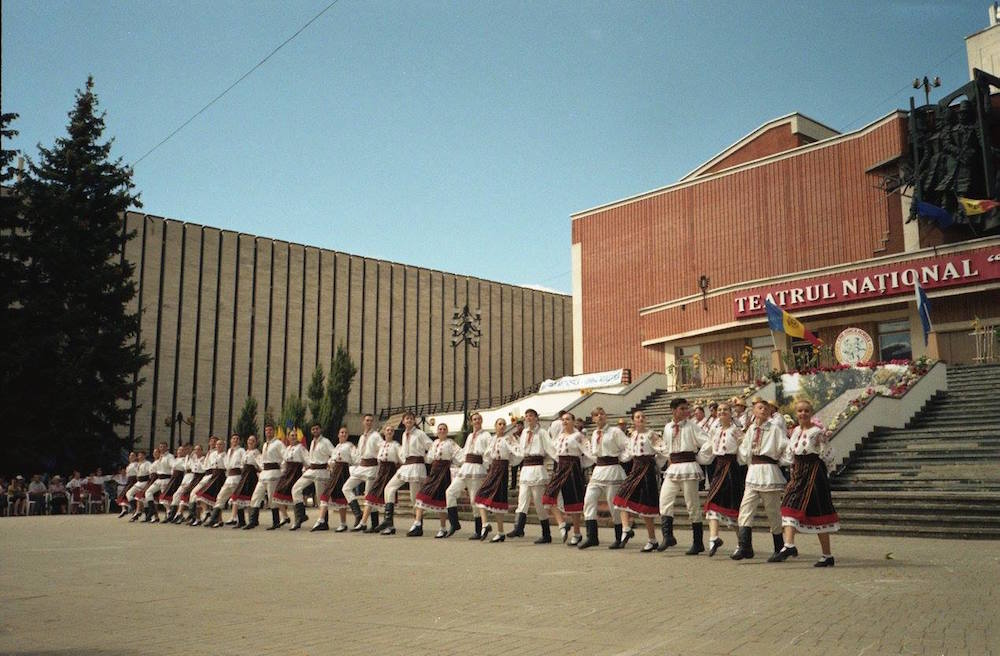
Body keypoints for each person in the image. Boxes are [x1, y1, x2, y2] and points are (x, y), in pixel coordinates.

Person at [771, 399, 839, 567]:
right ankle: (789, 545)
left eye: (806, 411)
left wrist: (825, 473)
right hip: (799, 472)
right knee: (787, 505)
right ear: (796, 413)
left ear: (811, 413)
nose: (803, 414)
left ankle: (827, 555)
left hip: (814, 473)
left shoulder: (817, 432)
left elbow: (828, 453)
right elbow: (790, 453)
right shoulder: (794, 431)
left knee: (818, 514)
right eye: (800, 411)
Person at [732, 397, 789, 561]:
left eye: (765, 408)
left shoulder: (775, 429)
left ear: (770, 411)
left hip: (769, 472)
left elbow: (787, 447)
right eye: (759, 408)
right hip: (753, 472)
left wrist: (780, 461)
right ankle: (745, 546)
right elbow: (745, 451)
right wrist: (743, 452)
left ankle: (779, 547)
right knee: (745, 508)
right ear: (754, 411)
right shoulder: (750, 430)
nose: (762, 410)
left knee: (772, 511)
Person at [658, 398, 711, 554]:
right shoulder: (668, 427)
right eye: (682, 408)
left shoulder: (692, 426)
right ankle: (667, 536)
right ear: (673, 410)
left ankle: (698, 542)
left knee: (692, 504)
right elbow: (667, 447)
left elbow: (707, 442)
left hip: (688, 466)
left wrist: (699, 457)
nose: (686, 411)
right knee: (664, 500)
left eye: (687, 408)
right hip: (673, 467)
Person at [612, 411, 667, 552]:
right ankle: (626, 529)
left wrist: (657, 465)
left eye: (643, 417)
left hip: (647, 471)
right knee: (620, 497)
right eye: (637, 417)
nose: (641, 419)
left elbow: (663, 451)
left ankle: (652, 539)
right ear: (633, 421)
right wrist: (616, 455)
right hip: (635, 469)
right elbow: (628, 455)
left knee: (646, 507)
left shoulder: (651, 434)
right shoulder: (632, 435)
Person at [375, 411, 432, 535]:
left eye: (411, 419)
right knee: (389, 488)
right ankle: (388, 521)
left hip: (416, 465)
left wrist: (427, 459)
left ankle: (418, 525)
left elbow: (431, 446)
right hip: (406, 465)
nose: (409, 421)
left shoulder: (420, 434)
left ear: (414, 421)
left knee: (414, 497)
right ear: (403, 421)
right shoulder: (403, 434)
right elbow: (403, 453)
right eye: (407, 419)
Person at [543, 412, 595, 545]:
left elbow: (589, 451)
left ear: (573, 421)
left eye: (567, 419)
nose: (565, 422)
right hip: (560, 467)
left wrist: (583, 464)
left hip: (573, 468)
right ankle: (562, 524)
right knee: (548, 497)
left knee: (573, 501)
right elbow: (554, 451)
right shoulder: (560, 436)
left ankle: (577, 533)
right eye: (563, 420)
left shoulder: (578, 436)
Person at [578, 407, 627, 549]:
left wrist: (621, 458)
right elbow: (594, 453)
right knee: (588, 500)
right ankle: (592, 536)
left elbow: (627, 446)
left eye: (602, 414)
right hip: (598, 470)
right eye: (596, 415)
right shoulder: (594, 433)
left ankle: (619, 537)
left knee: (613, 504)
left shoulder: (615, 432)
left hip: (612, 469)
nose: (599, 417)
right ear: (593, 418)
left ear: (606, 416)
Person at [701, 404, 744, 556]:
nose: (722, 412)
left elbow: (743, 448)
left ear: (731, 413)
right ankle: (714, 539)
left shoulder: (736, 431)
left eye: (725, 410)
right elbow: (709, 447)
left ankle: (742, 542)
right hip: (719, 467)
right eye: (719, 410)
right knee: (712, 502)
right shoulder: (715, 430)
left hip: (731, 469)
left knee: (733, 507)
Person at [508, 408, 557, 544]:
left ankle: (546, 534)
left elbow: (550, 448)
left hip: (536, 469)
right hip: (525, 469)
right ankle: (518, 528)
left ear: (536, 418)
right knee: (522, 500)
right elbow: (522, 451)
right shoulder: (524, 432)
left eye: (531, 416)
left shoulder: (542, 433)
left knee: (538, 503)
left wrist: (560, 460)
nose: (528, 418)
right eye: (526, 416)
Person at [409, 423, 463, 538]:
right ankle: (417, 523)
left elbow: (459, 456)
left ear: (447, 431)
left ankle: (442, 528)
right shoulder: (434, 443)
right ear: (437, 432)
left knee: (441, 500)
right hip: (434, 472)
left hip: (444, 472)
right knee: (420, 496)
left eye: (444, 429)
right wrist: (419, 453)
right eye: (440, 429)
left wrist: (465, 463)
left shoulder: (451, 443)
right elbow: (429, 459)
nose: (442, 431)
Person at [445, 412, 492, 539]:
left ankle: (478, 530)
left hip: (476, 469)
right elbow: (464, 452)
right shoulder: (470, 435)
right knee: (450, 492)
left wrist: (486, 466)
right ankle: (454, 523)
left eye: (478, 419)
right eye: (474, 419)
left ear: (481, 421)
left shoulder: (486, 435)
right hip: (465, 467)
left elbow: (490, 451)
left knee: (473, 500)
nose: (476, 421)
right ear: (471, 422)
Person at [474, 418, 521, 542]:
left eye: (504, 424)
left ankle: (500, 532)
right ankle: (485, 525)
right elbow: (487, 455)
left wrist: (510, 462)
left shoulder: (508, 438)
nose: (502, 426)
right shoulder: (492, 439)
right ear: (495, 426)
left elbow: (518, 453)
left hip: (502, 469)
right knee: (479, 496)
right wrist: (488, 465)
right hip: (493, 468)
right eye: (499, 424)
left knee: (498, 501)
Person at [343, 413, 383, 531]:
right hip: (361, 466)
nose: (368, 422)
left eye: (371, 420)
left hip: (372, 467)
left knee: (369, 496)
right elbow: (359, 454)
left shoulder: (376, 436)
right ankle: (358, 513)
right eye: (367, 420)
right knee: (346, 488)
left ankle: (373, 523)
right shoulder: (361, 437)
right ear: (363, 421)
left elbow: (382, 448)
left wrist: (380, 463)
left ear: (373, 422)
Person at [289, 424, 334, 531]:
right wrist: (306, 467)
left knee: (320, 498)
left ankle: (323, 522)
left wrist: (330, 463)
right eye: (313, 429)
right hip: (311, 470)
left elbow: (334, 453)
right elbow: (310, 458)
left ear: (320, 430)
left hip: (321, 471)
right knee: (295, 488)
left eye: (317, 429)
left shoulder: (325, 441)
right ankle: (300, 515)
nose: (315, 431)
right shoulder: (313, 441)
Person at [312, 427, 356, 532]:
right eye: (341, 432)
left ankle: (343, 523)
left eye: (345, 432)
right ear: (338, 435)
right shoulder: (336, 446)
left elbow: (355, 458)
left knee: (341, 498)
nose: (343, 434)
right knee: (325, 495)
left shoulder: (350, 446)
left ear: (348, 435)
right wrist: (330, 463)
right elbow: (332, 458)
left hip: (343, 471)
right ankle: (321, 519)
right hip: (335, 471)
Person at [245, 425, 284, 530]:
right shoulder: (265, 444)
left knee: (272, 498)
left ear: (274, 432)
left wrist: (283, 471)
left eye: (270, 430)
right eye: (266, 430)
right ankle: (253, 521)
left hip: (273, 473)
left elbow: (285, 457)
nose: (268, 432)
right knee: (256, 496)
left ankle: (276, 522)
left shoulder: (278, 443)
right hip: (264, 474)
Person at [365, 424, 402, 534]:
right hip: (381, 471)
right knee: (372, 496)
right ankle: (374, 523)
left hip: (390, 471)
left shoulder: (396, 445)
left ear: (393, 433)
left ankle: (390, 526)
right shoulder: (380, 444)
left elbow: (401, 457)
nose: (389, 432)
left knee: (388, 497)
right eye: (387, 430)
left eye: (391, 430)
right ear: (384, 432)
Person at [205, 434, 245, 528]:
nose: (235, 440)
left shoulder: (241, 450)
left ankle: (240, 520)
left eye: (237, 439)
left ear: (239, 441)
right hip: (229, 477)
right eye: (233, 438)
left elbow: (244, 462)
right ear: (231, 440)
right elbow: (227, 465)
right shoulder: (229, 451)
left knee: (237, 499)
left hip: (237, 476)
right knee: (220, 497)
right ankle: (213, 519)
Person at [271, 431, 306, 529]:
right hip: (287, 473)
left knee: (295, 497)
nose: (294, 437)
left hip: (296, 473)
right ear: (288, 437)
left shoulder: (301, 448)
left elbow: (306, 460)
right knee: (276, 494)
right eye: (292, 435)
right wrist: (282, 471)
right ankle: (285, 516)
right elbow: (284, 462)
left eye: (295, 435)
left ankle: (297, 521)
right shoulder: (287, 448)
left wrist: (305, 471)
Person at [230, 435, 260, 529]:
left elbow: (260, 464)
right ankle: (241, 521)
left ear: (256, 442)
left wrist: (259, 470)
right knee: (238, 497)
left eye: (253, 440)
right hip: (244, 475)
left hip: (251, 476)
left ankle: (253, 520)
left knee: (251, 498)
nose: (251, 442)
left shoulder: (256, 452)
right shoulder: (246, 452)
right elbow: (242, 464)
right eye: (249, 440)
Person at [194, 440, 227, 526]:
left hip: (220, 476)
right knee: (201, 495)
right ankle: (208, 512)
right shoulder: (212, 454)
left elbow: (227, 466)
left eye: (220, 444)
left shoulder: (225, 455)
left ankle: (218, 520)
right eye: (217, 444)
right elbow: (208, 465)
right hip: (213, 475)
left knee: (217, 498)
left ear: (223, 446)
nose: (218, 446)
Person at [174, 444, 205, 524]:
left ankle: (192, 516)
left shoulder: (197, 457)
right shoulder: (188, 457)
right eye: (185, 449)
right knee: (187, 495)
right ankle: (182, 514)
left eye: (188, 449)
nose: (187, 450)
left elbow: (198, 468)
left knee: (193, 496)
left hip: (195, 477)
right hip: (189, 477)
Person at [159, 445, 188, 523]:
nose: (179, 451)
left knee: (177, 496)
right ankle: (172, 514)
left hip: (179, 478)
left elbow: (185, 470)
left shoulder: (185, 459)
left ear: (185, 452)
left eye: (182, 450)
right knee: (167, 497)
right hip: (173, 478)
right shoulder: (175, 459)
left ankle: (174, 515)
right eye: (179, 450)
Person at [126, 450, 152, 522]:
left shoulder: (147, 463)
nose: (139, 456)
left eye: (141, 455)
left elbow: (150, 473)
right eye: (139, 455)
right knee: (129, 494)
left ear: (144, 456)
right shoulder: (137, 464)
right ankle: (136, 510)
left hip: (145, 481)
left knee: (143, 499)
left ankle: (146, 516)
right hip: (138, 482)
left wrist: (148, 483)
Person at [117, 453, 139, 518]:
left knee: (130, 495)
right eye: (130, 455)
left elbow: (138, 472)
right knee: (122, 495)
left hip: (134, 480)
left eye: (133, 456)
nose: (131, 457)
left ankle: (133, 511)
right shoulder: (129, 465)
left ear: (135, 457)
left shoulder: (136, 464)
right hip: (129, 481)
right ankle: (124, 509)